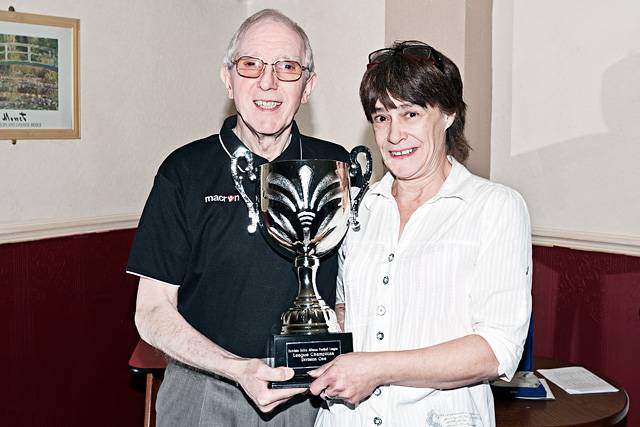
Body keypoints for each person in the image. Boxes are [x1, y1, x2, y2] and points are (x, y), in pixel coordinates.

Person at [127, 9, 349, 426]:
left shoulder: (335, 167)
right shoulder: (183, 171)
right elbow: (151, 311)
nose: (268, 82)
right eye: (251, 65)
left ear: (308, 86)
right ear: (228, 78)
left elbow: (358, 282)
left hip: (313, 396)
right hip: (203, 392)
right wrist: (235, 368)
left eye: (287, 67)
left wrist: (341, 315)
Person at [309, 41, 532, 427]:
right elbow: (348, 313)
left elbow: (496, 351)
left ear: (447, 114)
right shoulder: (356, 207)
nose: (394, 135)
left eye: (410, 113)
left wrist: (377, 369)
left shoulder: (495, 208)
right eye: (381, 117)